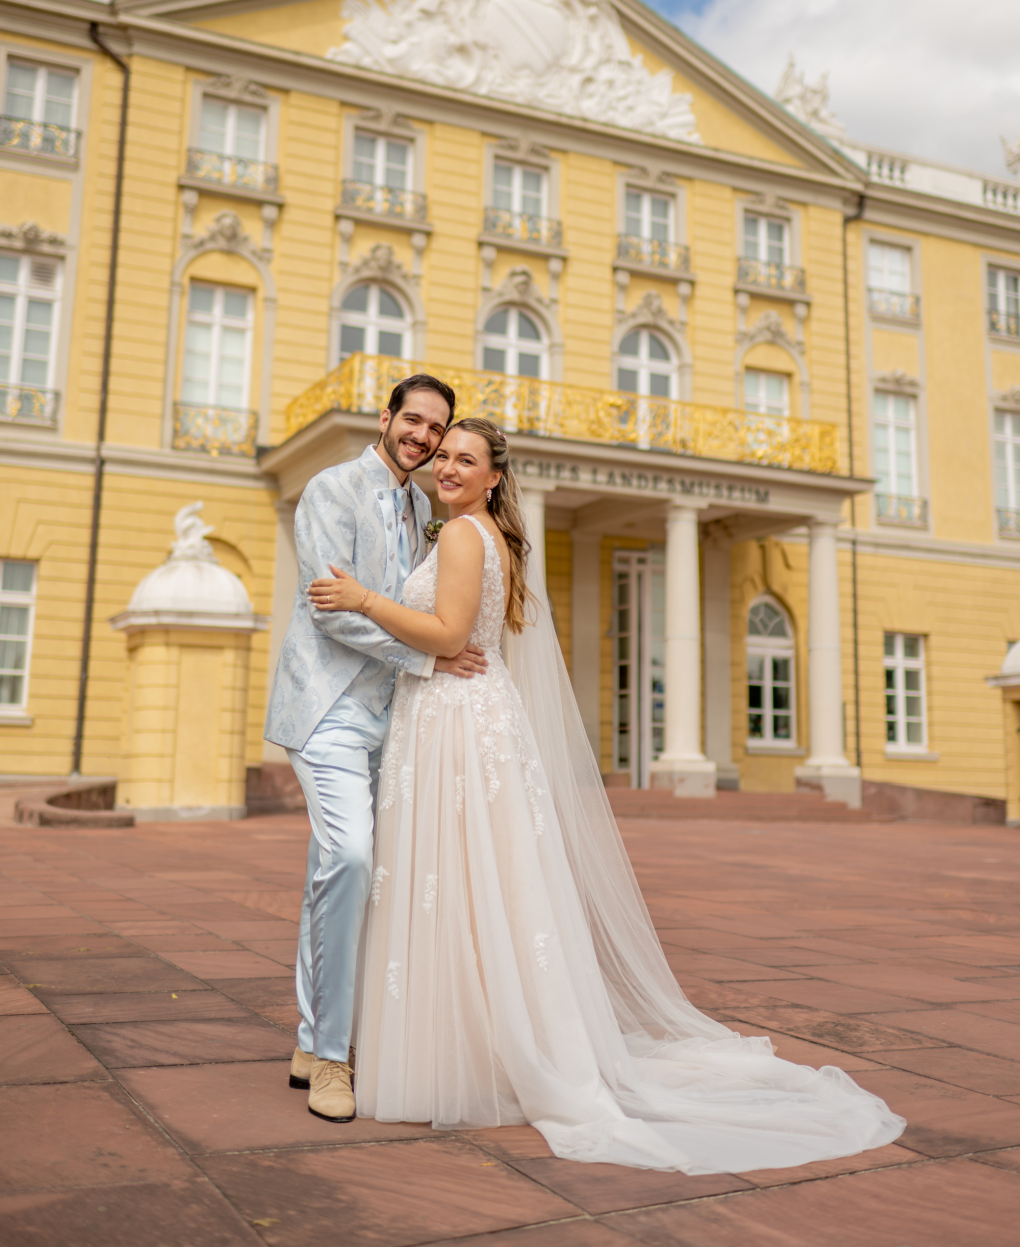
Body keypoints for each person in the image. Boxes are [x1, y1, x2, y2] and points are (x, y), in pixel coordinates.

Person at [310, 416, 906, 1172]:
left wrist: (361, 597)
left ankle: (466, 1052)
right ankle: (487, 1043)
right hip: (471, 713)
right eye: (446, 457)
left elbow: (449, 635)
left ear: (495, 475)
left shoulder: (463, 535)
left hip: (457, 722)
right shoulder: (477, 531)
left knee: (457, 883)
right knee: (479, 884)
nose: (449, 467)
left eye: (466, 459)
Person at [265, 373, 487, 1124]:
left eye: (437, 429)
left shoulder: (426, 506)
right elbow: (331, 613)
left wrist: (423, 654)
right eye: (414, 421)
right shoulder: (331, 490)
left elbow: (407, 605)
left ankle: (306, 1039)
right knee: (351, 858)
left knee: (337, 868)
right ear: (386, 416)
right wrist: (427, 659)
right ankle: (332, 1056)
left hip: (394, 719)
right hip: (327, 707)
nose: (423, 437)